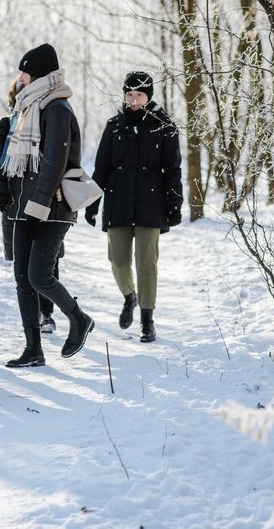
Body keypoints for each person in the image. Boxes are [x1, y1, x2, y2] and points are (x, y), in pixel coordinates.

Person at [0, 43, 94, 367]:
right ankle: (33, 349)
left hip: (51, 209)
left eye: (23, 71)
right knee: (23, 279)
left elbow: (54, 163)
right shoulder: (29, 108)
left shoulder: (56, 109)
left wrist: (36, 206)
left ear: (36, 73)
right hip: (25, 206)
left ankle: (79, 319)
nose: (20, 78)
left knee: (40, 276)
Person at [84, 71, 182, 343]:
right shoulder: (114, 125)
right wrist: (93, 204)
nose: (134, 100)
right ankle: (130, 296)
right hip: (118, 201)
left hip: (152, 204)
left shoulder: (164, 126)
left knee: (146, 263)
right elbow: (101, 167)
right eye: (129, 94)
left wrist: (174, 204)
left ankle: (147, 320)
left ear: (148, 96)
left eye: (139, 94)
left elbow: (173, 169)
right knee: (118, 261)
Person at [0, 76, 62, 335]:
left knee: (47, 263)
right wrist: (1, 192)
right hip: (14, 203)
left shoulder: (47, 119)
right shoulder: (7, 125)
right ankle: (32, 318)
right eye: (19, 93)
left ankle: (47, 313)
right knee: (21, 266)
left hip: (43, 202)